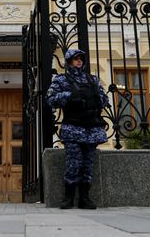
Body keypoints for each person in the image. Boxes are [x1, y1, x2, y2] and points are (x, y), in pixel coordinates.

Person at [46, 49, 109, 210]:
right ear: (69, 62)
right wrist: (70, 95)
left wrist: (94, 100)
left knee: (88, 165)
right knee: (73, 164)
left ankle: (85, 198)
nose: (79, 61)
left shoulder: (92, 79)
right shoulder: (62, 80)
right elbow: (50, 99)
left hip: (92, 128)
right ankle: (68, 198)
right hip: (73, 128)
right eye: (75, 59)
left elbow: (103, 99)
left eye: (81, 58)